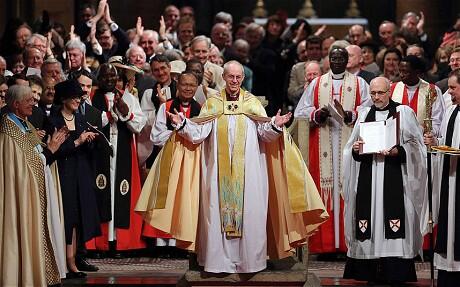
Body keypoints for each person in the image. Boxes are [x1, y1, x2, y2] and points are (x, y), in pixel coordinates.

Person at [137, 60, 328, 273]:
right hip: (217, 175)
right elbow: (199, 133)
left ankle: (250, 263)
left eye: (238, 77)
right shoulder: (213, 103)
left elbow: (264, 133)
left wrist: (275, 125)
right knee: (215, 215)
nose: (234, 81)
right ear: (224, 77)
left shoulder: (251, 103)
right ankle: (218, 263)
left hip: (249, 175)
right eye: (230, 77)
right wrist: (182, 124)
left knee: (251, 215)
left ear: (243, 79)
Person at [342, 77, 427, 284]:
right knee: (369, 221)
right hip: (369, 176)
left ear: (389, 92)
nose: (376, 97)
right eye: (373, 93)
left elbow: (417, 146)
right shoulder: (363, 114)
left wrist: (400, 151)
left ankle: (395, 273)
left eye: (380, 93)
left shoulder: (403, 112)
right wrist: (355, 151)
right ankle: (369, 272)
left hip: (394, 176)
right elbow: (351, 147)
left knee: (393, 222)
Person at [294, 47, 371, 254]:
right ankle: (325, 245)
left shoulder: (358, 83)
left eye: (341, 58)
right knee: (324, 193)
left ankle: (348, 245)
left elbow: (369, 109)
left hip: (349, 145)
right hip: (323, 146)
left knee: (349, 191)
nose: (337, 61)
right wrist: (318, 114)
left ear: (347, 61)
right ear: (328, 60)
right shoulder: (317, 84)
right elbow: (301, 110)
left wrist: (352, 114)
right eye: (333, 58)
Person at [0, 85, 68, 286]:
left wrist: (48, 147)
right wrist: (52, 149)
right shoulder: (9, 130)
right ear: (16, 104)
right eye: (29, 100)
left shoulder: (25, 124)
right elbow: (29, 163)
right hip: (21, 194)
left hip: (34, 189)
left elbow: (36, 152)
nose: (33, 103)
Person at [88, 63, 146, 254]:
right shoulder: (90, 97)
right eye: (105, 77)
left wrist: (126, 113)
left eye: (113, 77)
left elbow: (138, 125)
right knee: (101, 192)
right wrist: (109, 116)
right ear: (99, 78)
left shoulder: (128, 97)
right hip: (98, 153)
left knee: (120, 193)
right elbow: (87, 122)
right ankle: (101, 242)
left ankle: (120, 242)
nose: (109, 81)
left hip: (122, 152)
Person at [46, 79, 101, 279]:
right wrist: (77, 141)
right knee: (66, 216)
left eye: (80, 96)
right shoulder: (53, 121)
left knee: (78, 216)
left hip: (81, 173)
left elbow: (87, 149)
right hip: (64, 173)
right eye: (75, 96)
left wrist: (89, 140)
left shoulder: (80, 120)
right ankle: (64, 261)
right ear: (64, 99)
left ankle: (73, 259)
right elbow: (55, 150)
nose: (79, 100)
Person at [424, 69, 460, 287]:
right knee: (449, 221)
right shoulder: (451, 111)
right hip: (450, 175)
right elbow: (446, 140)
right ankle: (448, 273)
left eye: (454, 87)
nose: (449, 92)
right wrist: (433, 141)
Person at [390, 55, 444, 135]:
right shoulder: (393, 88)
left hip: (422, 140)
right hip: (396, 139)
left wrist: (428, 133)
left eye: (405, 72)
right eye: (400, 71)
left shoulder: (432, 90)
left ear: (417, 72)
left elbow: (438, 119)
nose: (401, 75)